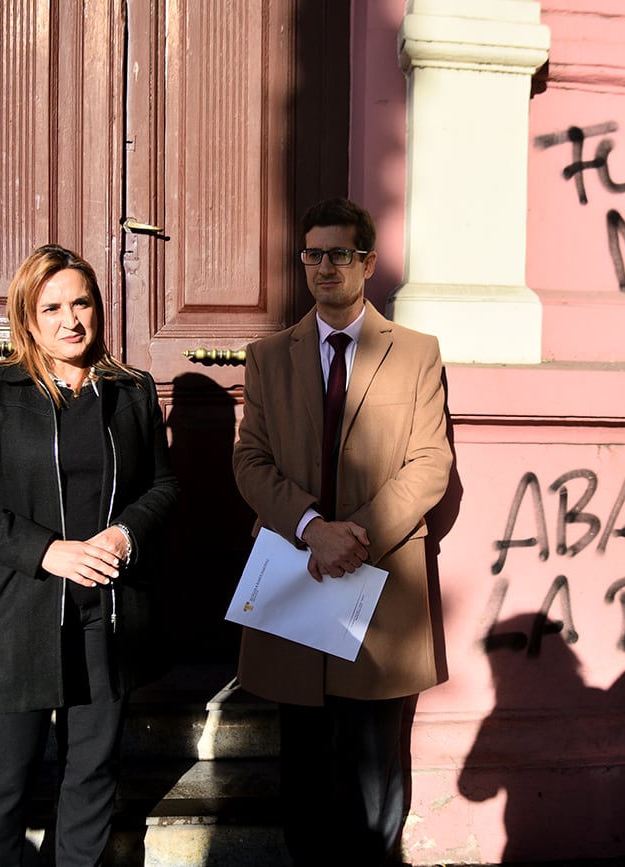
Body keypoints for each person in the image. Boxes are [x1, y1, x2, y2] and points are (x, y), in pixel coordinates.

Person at [0, 243, 179, 866]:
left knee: (92, 775)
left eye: (82, 303)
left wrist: (126, 533)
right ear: (27, 318)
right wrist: (48, 552)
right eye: (52, 308)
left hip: (105, 613)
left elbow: (163, 485)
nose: (71, 320)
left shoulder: (131, 391)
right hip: (14, 612)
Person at [232, 198, 453, 865]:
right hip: (299, 570)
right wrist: (310, 528)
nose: (323, 267)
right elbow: (250, 459)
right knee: (302, 755)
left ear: (367, 262)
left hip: (377, 576)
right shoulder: (269, 356)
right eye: (312, 254)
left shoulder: (415, 352)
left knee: (372, 761)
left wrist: (353, 536)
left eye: (338, 254)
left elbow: (430, 462)